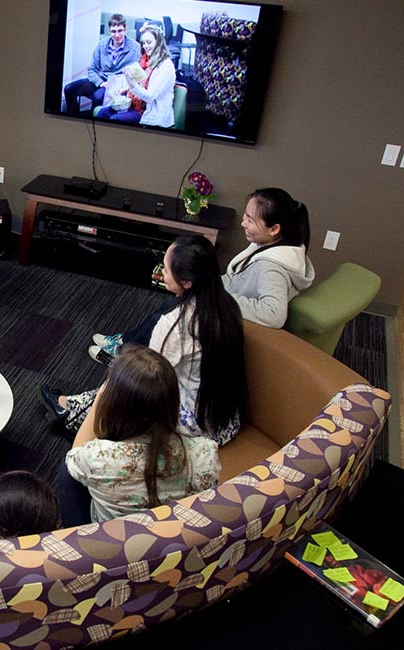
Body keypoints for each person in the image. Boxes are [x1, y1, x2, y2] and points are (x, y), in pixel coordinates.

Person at [45, 235, 246, 446]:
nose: (162, 272)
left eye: (166, 270)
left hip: (195, 426)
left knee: (121, 381)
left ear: (187, 282)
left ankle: (75, 414)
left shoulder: (176, 325)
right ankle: (73, 405)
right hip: (224, 418)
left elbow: (150, 380)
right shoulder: (228, 305)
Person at [57, 345, 221, 526]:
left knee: (66, 472)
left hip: (116, 545)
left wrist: (98, 402)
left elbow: (73, 456)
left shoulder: (98, 459)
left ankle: (78, 542)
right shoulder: (206, 454)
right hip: (175, 540)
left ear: (113, 404)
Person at [223, 188, 314, 328]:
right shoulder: (276, 244)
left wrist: (216, 298)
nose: (243, 223)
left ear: (274, 229)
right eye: (245, 216)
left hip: (227, 322)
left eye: (250, 220)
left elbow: (274, 314)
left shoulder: (271, 268)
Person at [95, 23, 176, 127]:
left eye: (149, 42)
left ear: (159, 42)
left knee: (114, 119)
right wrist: (126, 89)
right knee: (103, 113)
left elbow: (149, 96)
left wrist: (131, 83)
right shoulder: (148, 59)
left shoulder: (165, 66)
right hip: (135, 104)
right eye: (143, 43)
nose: (145, 46)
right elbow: (141, 82)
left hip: (148, 111)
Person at [63, 14, 142, 116]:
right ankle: (72, 118)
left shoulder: (135, 48)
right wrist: (100, 83)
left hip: (118, 85)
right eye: (113, 31)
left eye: (120, 30)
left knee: (98, 97)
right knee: (69, 89)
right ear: (109, 30)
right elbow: (92, 69)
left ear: (125, 29)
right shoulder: (102, 44)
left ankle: (94, 124)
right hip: (100, 80)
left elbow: (137, 75)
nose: (117, 35)